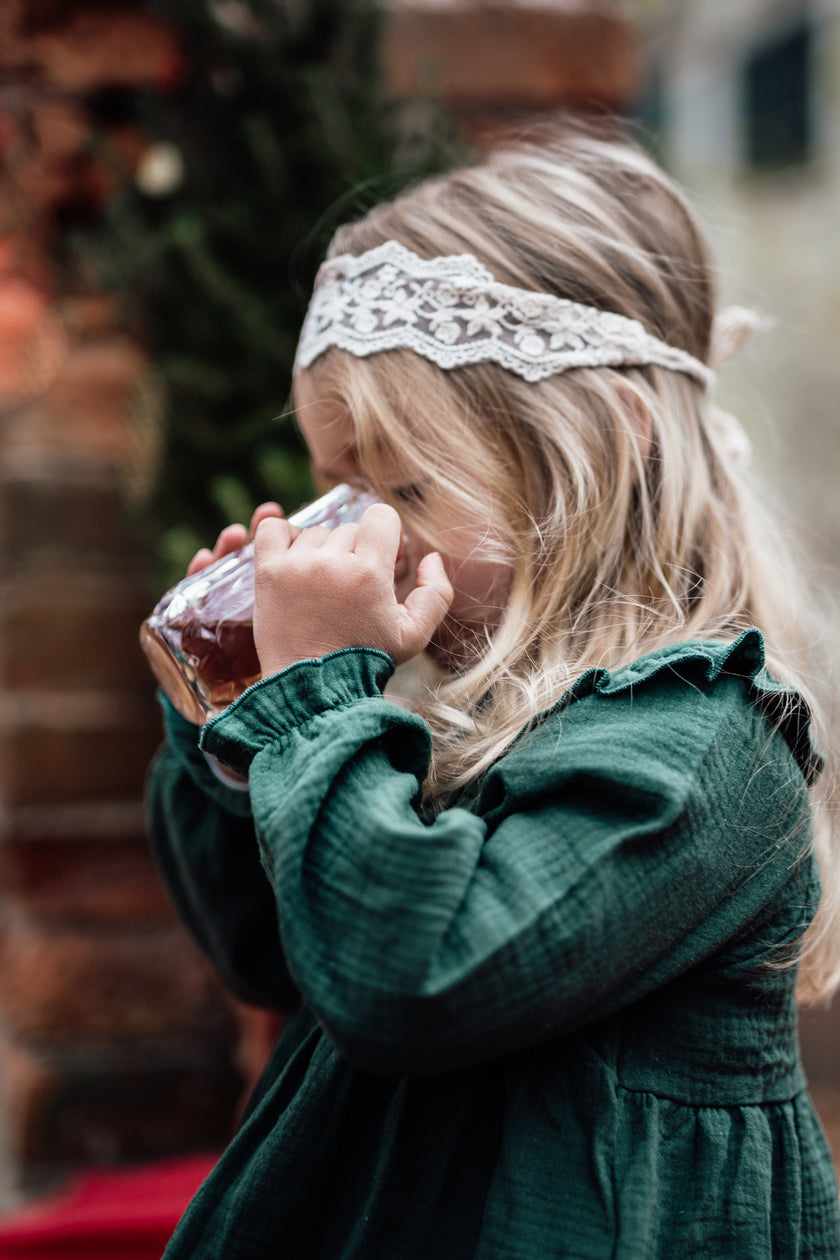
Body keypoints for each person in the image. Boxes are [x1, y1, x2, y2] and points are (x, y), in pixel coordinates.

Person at [146, 123, 840, 1257]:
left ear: (596, 453)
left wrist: (319, 702)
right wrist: (237, 721)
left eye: (403, 481)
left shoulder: (703, 746)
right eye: (335, 483)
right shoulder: (430, 713)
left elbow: (412, 976)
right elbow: (274, 951)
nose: (359, 527)